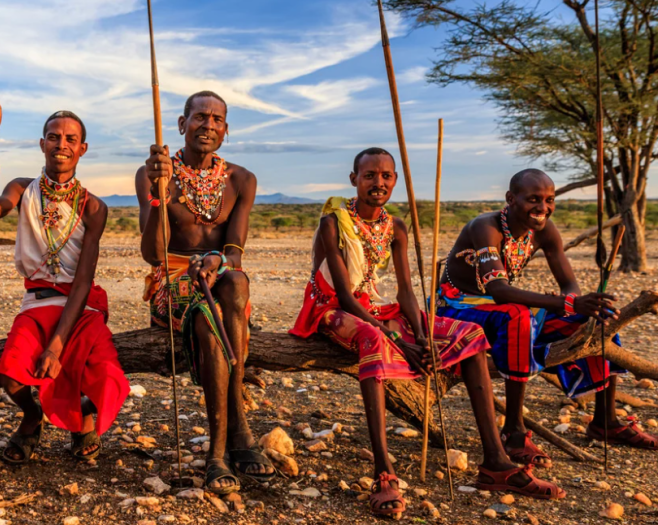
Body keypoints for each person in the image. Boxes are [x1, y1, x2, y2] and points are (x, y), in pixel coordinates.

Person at [289, 149, 565, 517]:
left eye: (386, 176)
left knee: (467, 335)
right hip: (334, 309)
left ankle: (496, 462)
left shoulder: (395, 226)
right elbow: (342, 295)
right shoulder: (334, 222)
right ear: (354, 179)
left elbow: (405, 291)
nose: (379, 183)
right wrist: (401, 341)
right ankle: (383, 472)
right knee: (374, 339)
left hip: (378, 306)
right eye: (369, 175)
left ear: (395, 182)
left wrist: (421, 337)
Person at [437, 168, 657, 468]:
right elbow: (499, 291)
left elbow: (569, 285)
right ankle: (514, 430)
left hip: (497, 307)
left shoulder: (544, 230)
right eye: (533, 199)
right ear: (511, 199)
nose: (543, 208)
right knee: (518, 316)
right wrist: (568, 302)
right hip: (459, 308)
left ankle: (606, 420)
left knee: (593, 321)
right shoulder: (485, 228)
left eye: (549, 200)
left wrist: (580, 306)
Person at [0, 84, 129, 464]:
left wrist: (56, 346)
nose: (62, 143)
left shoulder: (94, 207)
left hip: (78, 307)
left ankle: (84, 418)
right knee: (10, 378)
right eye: (54, 137)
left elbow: (82, 281)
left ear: (82, 149)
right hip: (36, 303)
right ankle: (32, 416)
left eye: (70, 139)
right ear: (42, 144)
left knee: (106, 378)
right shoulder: (22, 189)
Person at [135, 91, 273, 494]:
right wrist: (160, 194)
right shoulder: (154, 173)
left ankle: (223, 446)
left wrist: (216, 262)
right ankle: (229, 441)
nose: (208, 125)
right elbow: (152, 254)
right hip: (171, 279)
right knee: (210, 313)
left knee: (234, 282)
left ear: (226, 131)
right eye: (199, 117)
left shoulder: (241, 179)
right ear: (182, 124)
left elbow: (234, 251)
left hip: (221, 278)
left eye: (216, 119)